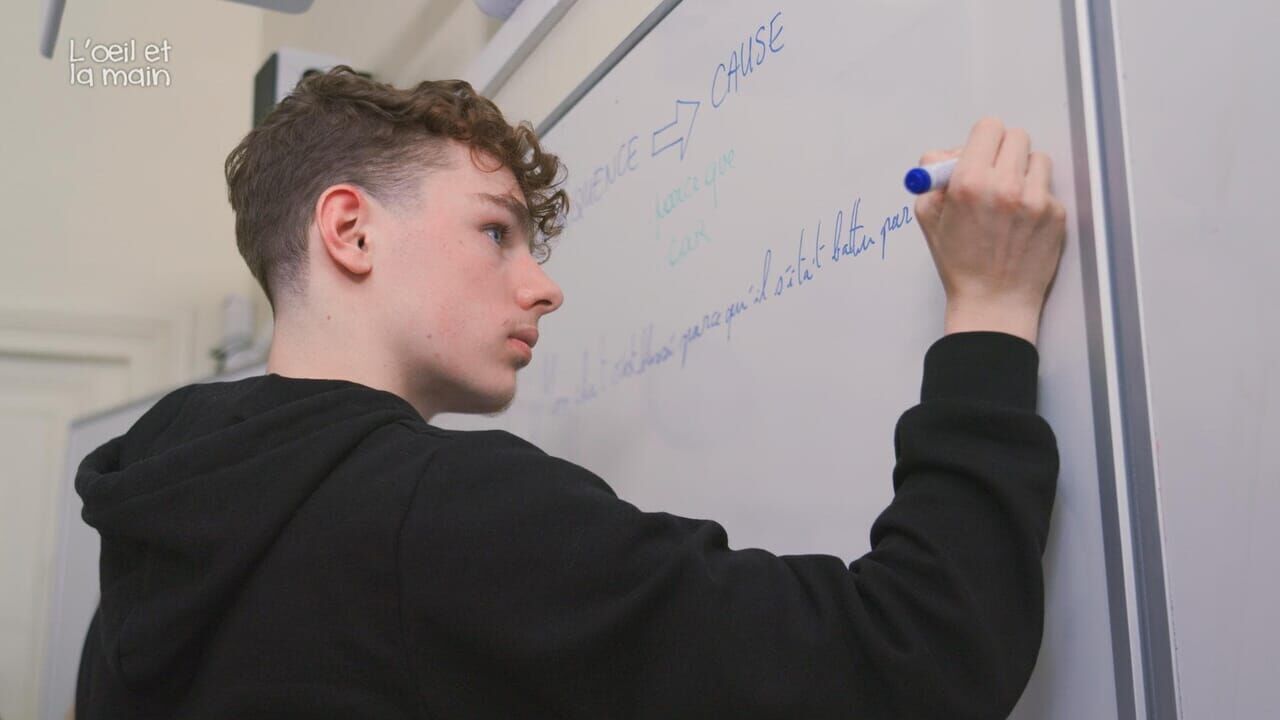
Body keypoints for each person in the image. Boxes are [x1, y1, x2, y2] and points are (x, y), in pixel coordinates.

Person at [73, 66, 1065, 719]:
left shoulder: (152, 544)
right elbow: (914, 655)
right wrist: (989, 310)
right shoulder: (444, 513)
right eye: (495, 232)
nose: (543, 286)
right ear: (351, 231)